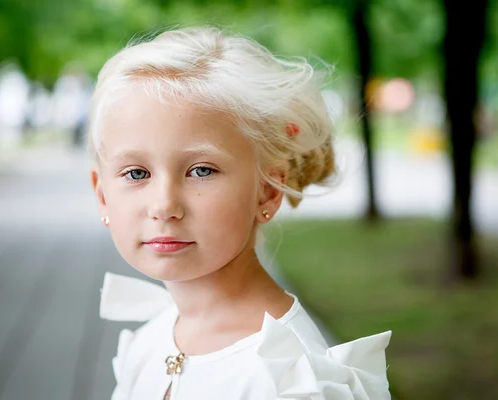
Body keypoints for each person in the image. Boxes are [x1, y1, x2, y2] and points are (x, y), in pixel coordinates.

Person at [88, 27, 392, 400]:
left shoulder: (291, 382)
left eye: (202, 170)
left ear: (267, 189)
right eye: (137, 173)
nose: (164, 205)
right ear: (102, 196)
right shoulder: (153, 337)